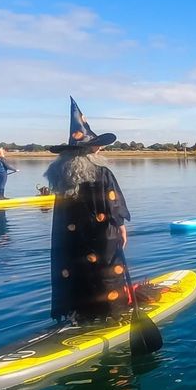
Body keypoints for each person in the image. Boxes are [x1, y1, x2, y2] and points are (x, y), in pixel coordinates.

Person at [44, 98, 131, 324]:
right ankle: (110, 313)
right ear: (89, 149)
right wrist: (121, 226)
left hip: (70, 238)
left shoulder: (59, 175)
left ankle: (79, 313)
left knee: (76, 269)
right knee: (106, 270)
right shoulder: (102, 172)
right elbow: (113, 204)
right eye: (97, 145)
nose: (100, 148)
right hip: (100, 234)